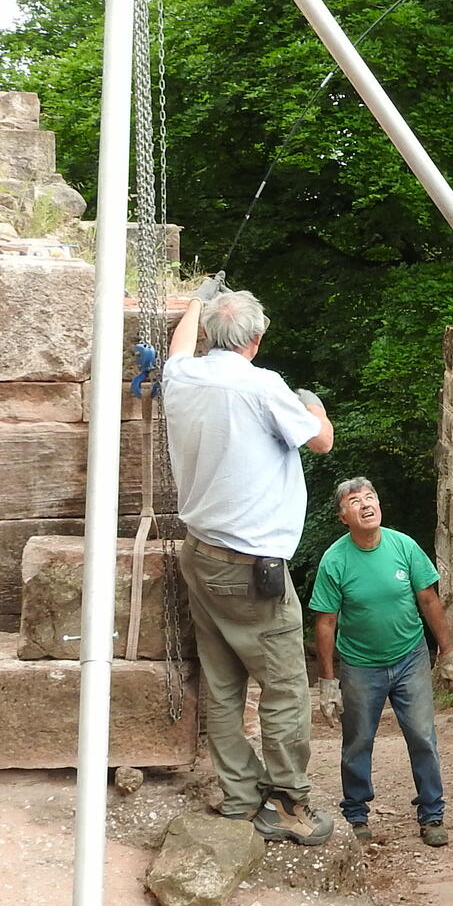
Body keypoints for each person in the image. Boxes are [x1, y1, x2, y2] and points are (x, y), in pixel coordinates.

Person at [163, 282, 336, 847]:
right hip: (250, 566)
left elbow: (177, 349)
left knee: (222, 683)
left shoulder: (183, 376)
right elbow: (321, 441)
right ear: (256, 339)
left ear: (211, 335)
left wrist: (195, 303)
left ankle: (240, 795)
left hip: (200, 552)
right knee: (285, 687)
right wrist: (312, 404)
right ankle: (288, 803)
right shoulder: (263, 386)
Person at [309, 477, 453, 846]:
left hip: (410, 657)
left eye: (370, 497)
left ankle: (432, 814)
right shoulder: (335, 560)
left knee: (423, 736)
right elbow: (326, 622)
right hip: (360, 664)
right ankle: (356, 814)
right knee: (358, 740)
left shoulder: (403, 546)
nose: (366, 504)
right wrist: (328, 681)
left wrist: (448, 651)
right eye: (355, 501)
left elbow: (429, 599)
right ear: (343, 517)